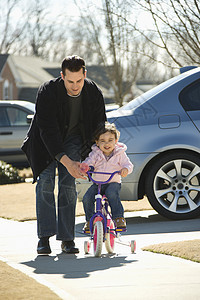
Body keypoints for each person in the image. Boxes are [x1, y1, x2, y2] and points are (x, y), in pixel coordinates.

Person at [21, 55, 106, 254]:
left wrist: (100, 153)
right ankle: (44, 238)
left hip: (74, 140)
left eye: (79, 80)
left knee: (68, 185)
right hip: (45, 142)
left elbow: (100, 125)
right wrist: (66, 161)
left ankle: (67, 239)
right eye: (70, 81)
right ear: (62, 76)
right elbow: (47, 131)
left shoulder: (94, 92)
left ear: (85, 74)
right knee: (46, 184)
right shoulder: (48, 91)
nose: (75, 86)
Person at [81, 122, 133, 232]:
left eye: (110, 140)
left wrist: (125, 169)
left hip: (113, 182)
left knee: (111, 194)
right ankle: (90, 220)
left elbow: (128, 165)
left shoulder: (120, 153)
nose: (107, 143)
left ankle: (118, 218)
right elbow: (89, 162)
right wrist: (87, 168)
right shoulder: (95, 153)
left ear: (116, 141)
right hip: (98, 183)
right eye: (102, 141)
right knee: (87, 198)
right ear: (97, 142)